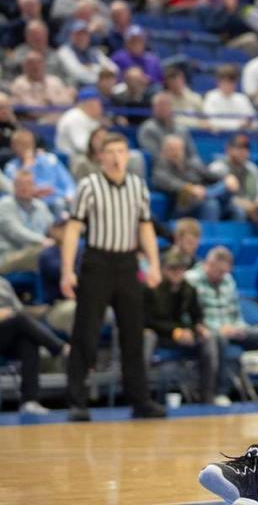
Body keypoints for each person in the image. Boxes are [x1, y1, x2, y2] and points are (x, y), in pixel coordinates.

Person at [62, 133, 166, 421]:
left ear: (127, 154)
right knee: (86, 332)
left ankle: (139, 399)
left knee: (133, 333)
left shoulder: (137, 186)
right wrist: (67, 270)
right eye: (111, 151)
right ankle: (77, 401)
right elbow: (73, 229)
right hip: (97, 262)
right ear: (101, 156)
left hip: (127, 262)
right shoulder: (89, 185)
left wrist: (154, 264)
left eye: (122, 150)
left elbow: (145, 227)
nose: (117, 156)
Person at [187, 247, 258, 407]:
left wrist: (238, 327)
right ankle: (220, 392)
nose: (221, 276)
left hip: (231, 328)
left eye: (225, 272)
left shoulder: (228, 280)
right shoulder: (192, 280)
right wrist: (219, 329)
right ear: (209, 264)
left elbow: (235, 311)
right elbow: (192, 315)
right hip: (208, 331)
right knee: (219, 338)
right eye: (218, 271)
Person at [144, 248, 217, 404]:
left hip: (182, 334)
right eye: (173, 268)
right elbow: (148, 320)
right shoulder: (152, 288)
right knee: (147, 337)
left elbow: (197, 315)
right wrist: (175, 332)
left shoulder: (188, 289)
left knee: (208, 340)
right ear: (164, 269)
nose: (177, 272)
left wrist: (197, 328)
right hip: (159, 334)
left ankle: (207, 395)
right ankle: (142, 396)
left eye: (180, 268)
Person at [0, 277, 68, 414]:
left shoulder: (3, 283)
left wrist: (41, 310)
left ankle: (29, 401)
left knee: (28, 341)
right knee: (20, 320)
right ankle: (61, 349)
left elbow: (19, 310)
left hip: (5, 335)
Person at [0, 169, 55, 274]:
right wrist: (43, 241)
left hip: (34, 254)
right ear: (14, 186)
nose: (24, 188)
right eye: (20, 184)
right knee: (42, 254)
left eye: (29, 184)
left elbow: (52, 228)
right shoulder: (5, 205)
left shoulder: (41, 206)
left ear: (34, 186)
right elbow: (16, 232)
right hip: (9, 256)